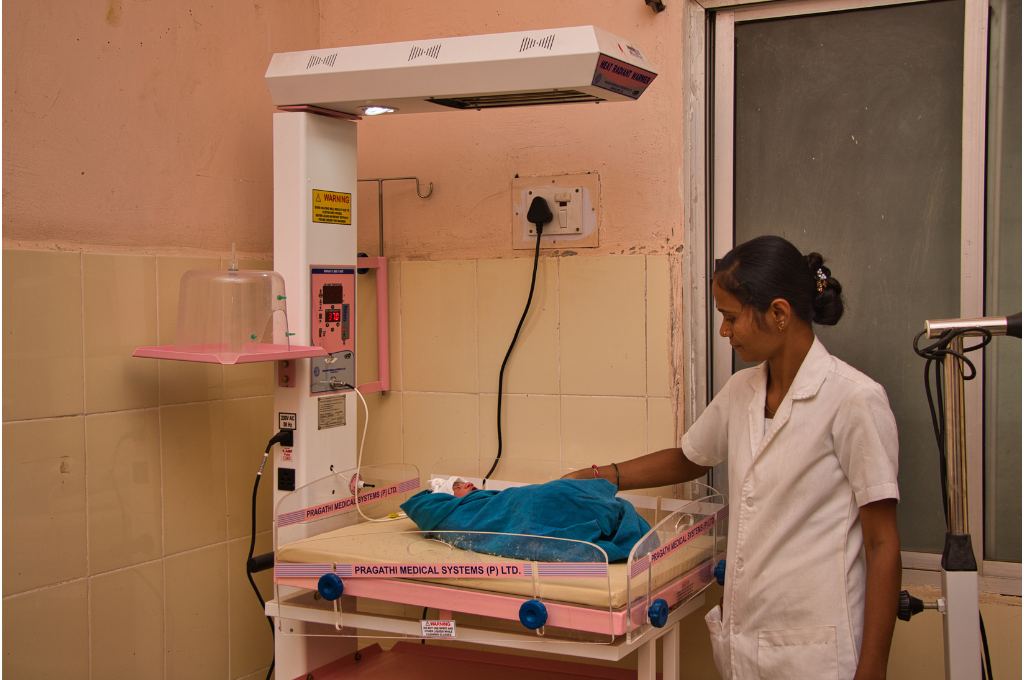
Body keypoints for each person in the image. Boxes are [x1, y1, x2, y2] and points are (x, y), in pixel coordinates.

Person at [564, 235, 900, 680]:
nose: (724, 332)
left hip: (816, 649)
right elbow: (690, 457)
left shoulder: (854, 400)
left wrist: (873, 667)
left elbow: (882, 544)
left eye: (731, 318)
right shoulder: (743, 390)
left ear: (778, 313)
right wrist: (600, 476)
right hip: (747, 640)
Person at [401, 476, 650, 562]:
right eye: (457, 486)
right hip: (530, 506)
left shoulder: (486, 501)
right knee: (558, 497)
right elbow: (420, 505)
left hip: (531, 499)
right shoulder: (453, 516)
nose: (468, 483)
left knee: (559, 491)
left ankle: (606, 512)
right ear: (443, 502)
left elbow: (518, 500)